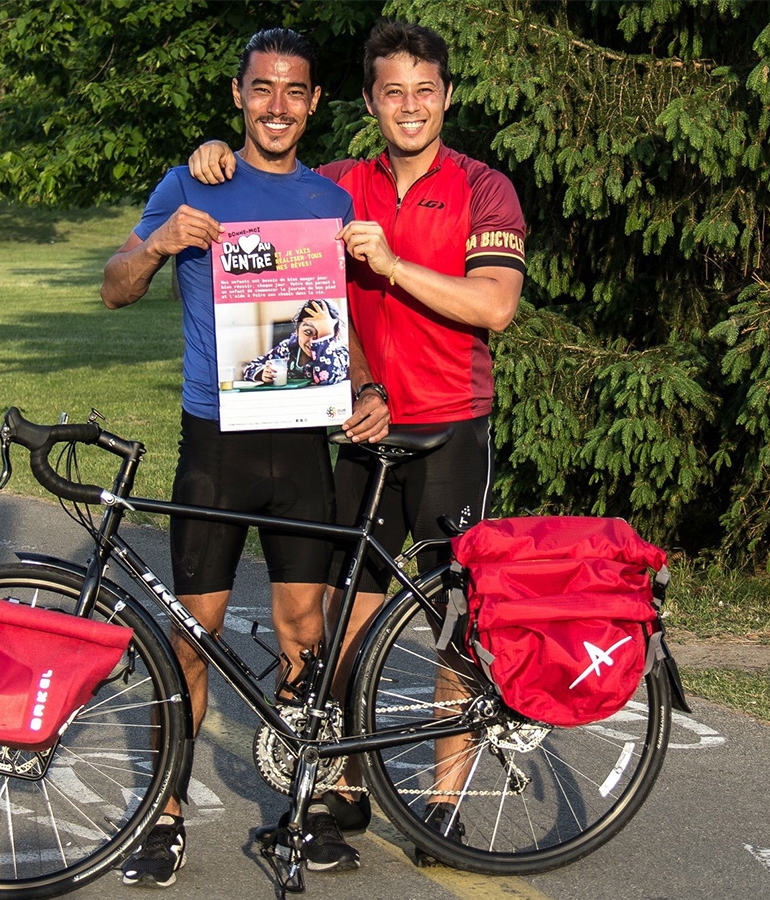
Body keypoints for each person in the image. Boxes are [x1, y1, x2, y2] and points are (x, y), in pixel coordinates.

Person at [188, 18, 527, 841]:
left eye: (424, 91)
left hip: (452, 430)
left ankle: (445, 800)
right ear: (371, 103)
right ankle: (340, 784)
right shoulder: (341, 184)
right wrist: (217, 159)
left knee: (453, 616)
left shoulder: (485, 187)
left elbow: (496, 307)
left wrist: (394, 264)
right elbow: (275, 209)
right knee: (343, 614)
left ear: (447, 96)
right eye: (392, 93)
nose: (409, 107)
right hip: (362, 434)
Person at [100, 27, 363, 887]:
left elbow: (336, 324)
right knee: (190, 641)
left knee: (303, 634)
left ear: (314, 102)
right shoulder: (191, 181)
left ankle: (300, 809)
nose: (277, 106)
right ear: (239, 94)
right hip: (215, 442)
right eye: (262, 88)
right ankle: (164, 814)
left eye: (294, 91)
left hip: (302, 444)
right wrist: (160, 241)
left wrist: (368, 388)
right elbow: (114, 289)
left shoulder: (330, 201)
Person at [242, 298, 349, 385]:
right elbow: (249, 368)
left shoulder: (340, 353)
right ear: (297, 331)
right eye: (308, 332)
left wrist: (325, 336)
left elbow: (326, 378)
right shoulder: (287, 348)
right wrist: (263, 373)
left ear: (334, 335)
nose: (313, 341)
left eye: (320, 333)